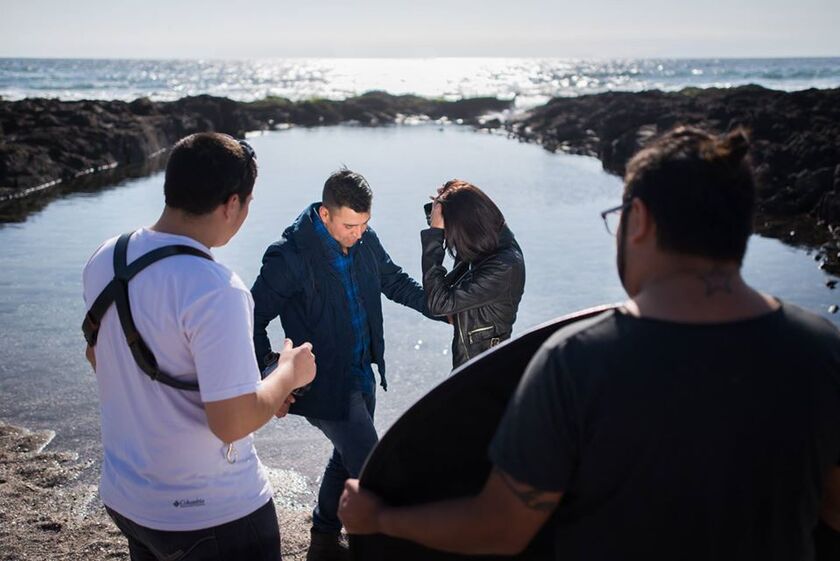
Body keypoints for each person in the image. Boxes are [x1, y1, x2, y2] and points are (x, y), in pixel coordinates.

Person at [338, 126, 840, 560]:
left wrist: (381, 517)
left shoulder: (576, 361)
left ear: (638, 220)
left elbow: (501, 526)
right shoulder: (820, 350)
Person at [82, 132, 316, 561]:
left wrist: (245, 392)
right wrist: (287, 374)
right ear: (232, 204)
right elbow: (231, 424)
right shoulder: (216, 289)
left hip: (129, 498)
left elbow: (103, 357)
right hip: (210, 514)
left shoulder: (107, 258)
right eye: (247, 203)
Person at [250, 169, 433, 560]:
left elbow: (394, 281)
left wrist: (438, 310)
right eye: (350, 225)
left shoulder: (365, 241)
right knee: (372, 466)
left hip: (361, 373)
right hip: (321, 383)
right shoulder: (289, 256)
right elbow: (251, 318)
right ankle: (385, 548)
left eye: (365, 224)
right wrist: (272, 375)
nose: (358, 233)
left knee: (342, 456)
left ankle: (323, 537)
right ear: (325, 213)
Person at [422, 179, 525, 368]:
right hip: (475, 368)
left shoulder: (503, 266)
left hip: (484, 375)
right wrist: (449, 200)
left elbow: (439, 303)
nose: (448, 237)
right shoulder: (486, 247)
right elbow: (443, 290)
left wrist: (434, 236)